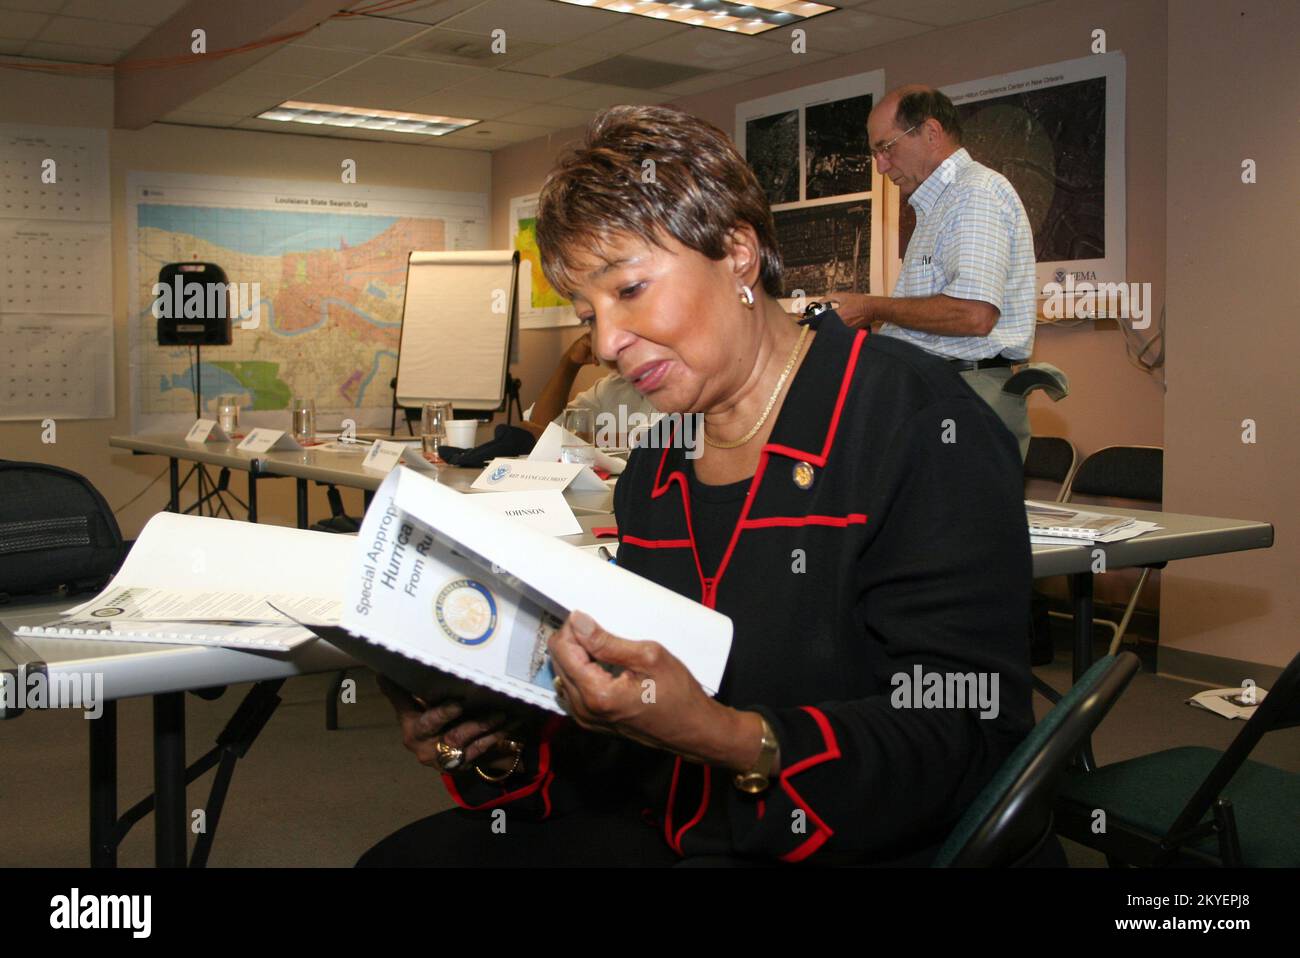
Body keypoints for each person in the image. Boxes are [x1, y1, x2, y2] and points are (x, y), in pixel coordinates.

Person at [359, 105, 1052, 867]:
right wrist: (499, 743)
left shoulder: (917, 428)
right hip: (689, 821)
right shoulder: (659, 468)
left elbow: (965, 735)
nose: (608, 344)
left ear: (738, 252)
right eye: (590, 311)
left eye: (628, 289)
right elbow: (645, 740)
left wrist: (731, 739)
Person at [832, 85, 1037, 460]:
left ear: (930, 132)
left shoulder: (973, 194)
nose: (880, 166)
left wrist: (872, 308)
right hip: (943, 391)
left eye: (886, 147)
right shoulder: (937, 207)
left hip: (967, 394)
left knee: (962, 518)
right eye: (875, 153)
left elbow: (974, 314)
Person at [520, 330, 658, 442]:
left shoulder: (675, 385)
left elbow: (658, 441)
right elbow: (539, 427)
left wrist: (567, 441)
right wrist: (569, 363)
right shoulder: (613, 387)